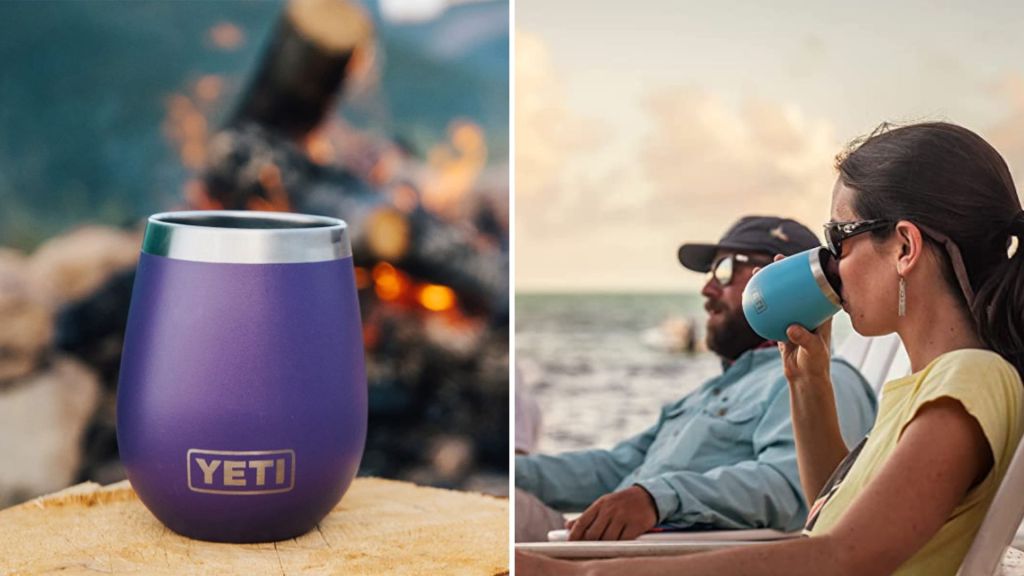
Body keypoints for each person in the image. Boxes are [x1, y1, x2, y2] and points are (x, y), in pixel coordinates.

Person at [517, 122, 1024, 575]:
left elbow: (844, 558)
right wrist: (809, 386)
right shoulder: (925, 388)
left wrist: (578, 575)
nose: (830, 265)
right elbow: (828, 512)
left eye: (838, 240)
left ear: (905, 248)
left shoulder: (969, 380)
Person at [515, 216, 877, 542]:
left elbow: (794, 489)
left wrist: (658, 498)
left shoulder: (821, 383)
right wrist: (514, 470)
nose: (706, 290)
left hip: (663, 554)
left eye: (723, 270)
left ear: (776, 277)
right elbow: (614, 467)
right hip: (601, 546)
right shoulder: (706, 395)